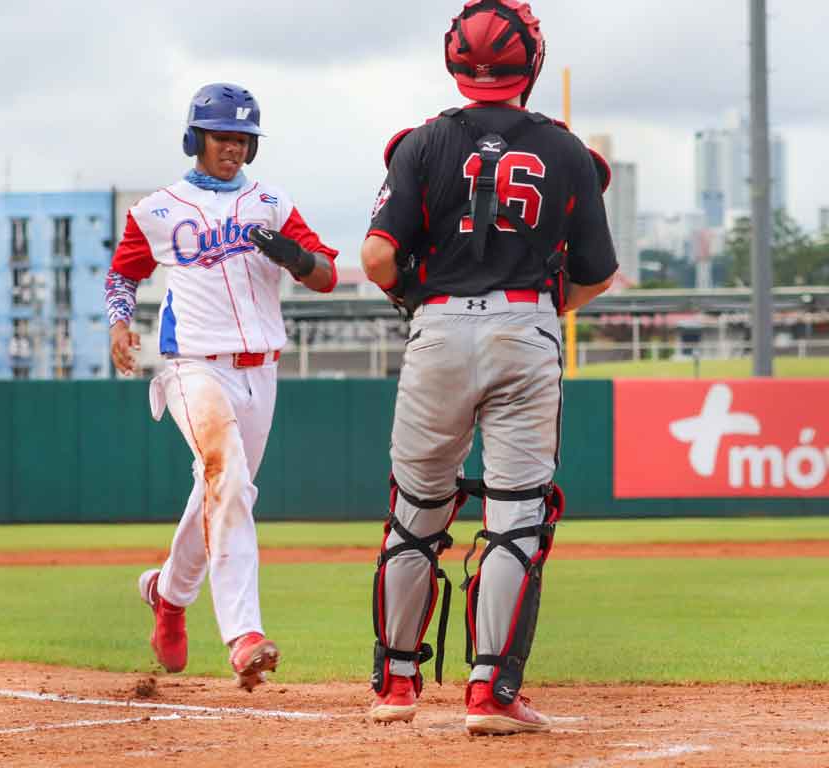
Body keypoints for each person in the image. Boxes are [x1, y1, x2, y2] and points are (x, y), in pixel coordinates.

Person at [362, 0, 618, 734]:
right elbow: (598, 272)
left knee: (415, 512)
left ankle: (396, 687)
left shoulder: (420, 145)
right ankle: (489, 696)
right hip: (526, 327)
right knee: (517, 516)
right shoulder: (567, 152)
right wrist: (534, 311)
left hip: (438, 329)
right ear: (530, 62)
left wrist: (418, 296)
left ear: (454, 61)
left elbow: (378, 256)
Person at [105, 83, 338, 691]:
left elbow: (327, 276)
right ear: (195, 139)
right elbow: (122, 275)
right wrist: (120, 324)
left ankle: (168, 595)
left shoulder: (271, 202)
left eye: (242, 139)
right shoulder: (158, 209)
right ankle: (244, 635)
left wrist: (292, 254)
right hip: (192, 366)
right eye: (221, 137)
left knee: (221, 491)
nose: (232, 147)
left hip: (262, 370)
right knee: (227, 479)